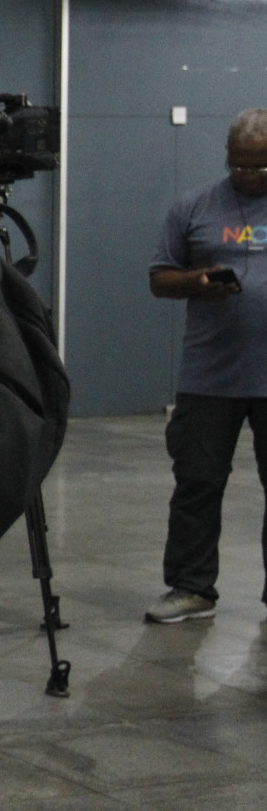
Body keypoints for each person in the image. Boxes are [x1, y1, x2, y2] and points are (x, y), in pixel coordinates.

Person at [144, 108, 267, 623]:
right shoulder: (193, 206)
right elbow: (159, 277)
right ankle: (191, 588)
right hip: (210, 376)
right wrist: (194, 282)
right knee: (197, 482)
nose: (248, 175)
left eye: (259, 166)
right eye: (239, 164)